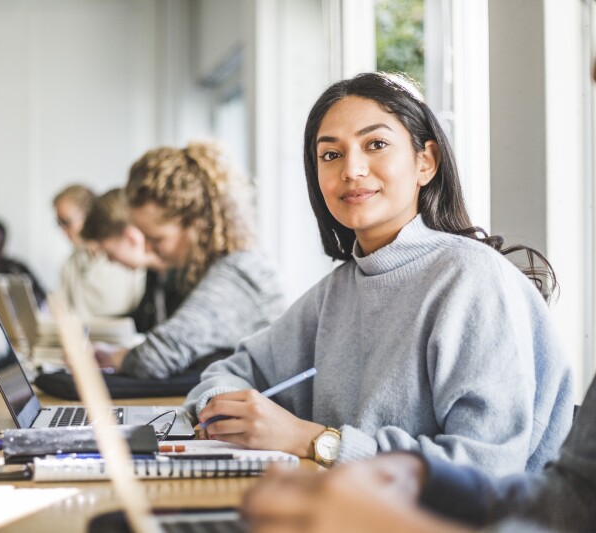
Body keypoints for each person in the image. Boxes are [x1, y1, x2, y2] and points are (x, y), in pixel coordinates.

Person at [186, 72, 572, 475]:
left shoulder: (471, 278)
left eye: (376, 144)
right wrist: (223, 413)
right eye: (330, 155)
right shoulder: (338, 290)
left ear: (426, 162)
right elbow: (232, 371)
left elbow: (485, 469)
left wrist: (315, 441)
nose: (351, 169)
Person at [241, 373, 596, 532]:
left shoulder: (471, 277)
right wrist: (425, 476)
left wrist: (396, 526)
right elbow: (572, 500)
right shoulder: (337, 286)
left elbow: (494, 464)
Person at [95, 140, 286, 379]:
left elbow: (155, 358)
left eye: (156, 239)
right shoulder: (213, 270)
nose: (147, 249)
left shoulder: (239, 274)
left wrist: (110, 357)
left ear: (195, 224)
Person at [79, 187, 185, 333]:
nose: (110, 260)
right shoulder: (154, 274)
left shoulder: (184, 277)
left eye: (109, 252)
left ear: (130, 237)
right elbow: (140, 322)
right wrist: (85, 325)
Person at [53, 184, 145, 320]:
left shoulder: (131, 257)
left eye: (66, 222)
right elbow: (60, 309)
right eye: (59, 223)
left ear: (88, 216)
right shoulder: (70, 264)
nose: (63, 231)